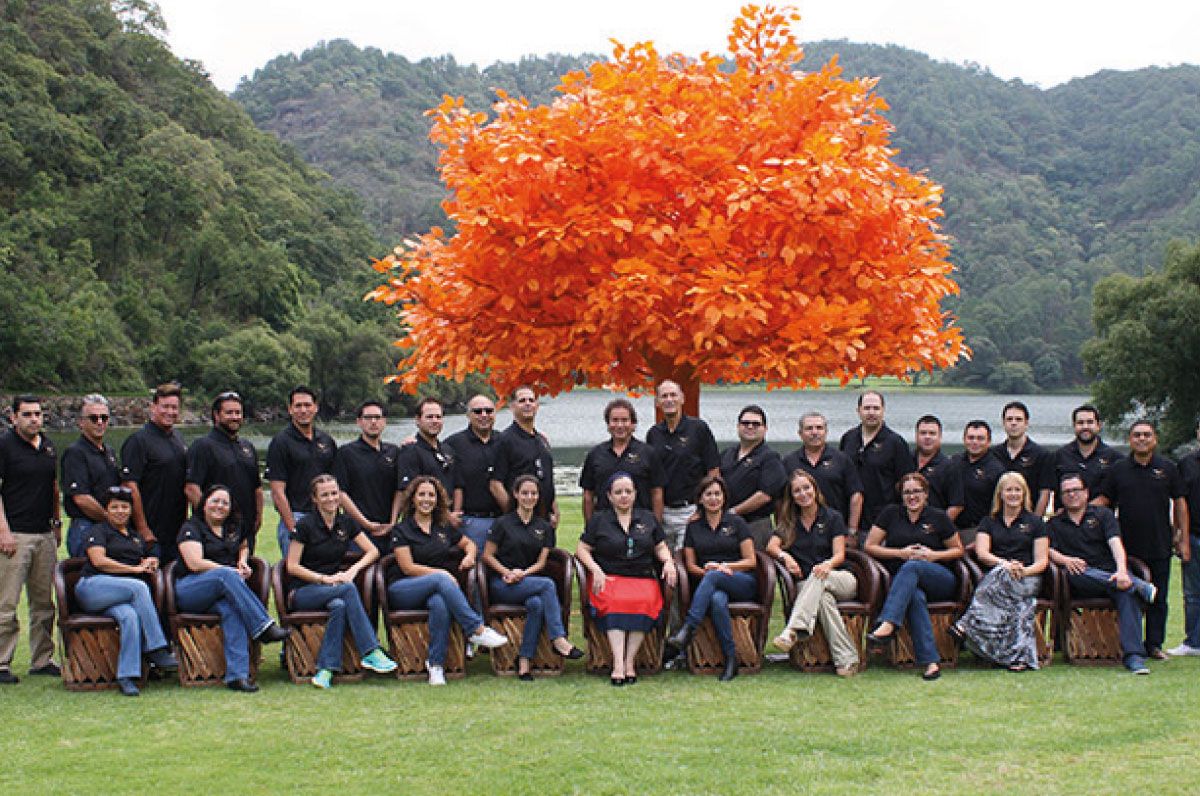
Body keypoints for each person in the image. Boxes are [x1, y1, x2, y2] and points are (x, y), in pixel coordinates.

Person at [385, 476, 508, 686]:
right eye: (421, 494)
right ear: (413, 499)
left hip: (433, 591)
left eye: (431, 495)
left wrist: (470, 556)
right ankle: (476, 629)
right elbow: (407, 567)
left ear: (438, 500)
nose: (426, 499)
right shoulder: (402, 529)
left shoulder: (443, 527)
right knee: (441, 580)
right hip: (403, 588)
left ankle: (435, 666)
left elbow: (469, 544)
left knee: (440, 604)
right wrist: (440, 575)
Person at [175, 485, 291, 693]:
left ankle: (238, 676)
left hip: (222, 593)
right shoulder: (191, 527)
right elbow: (194, 563)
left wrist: (242, 561)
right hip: (190, 590)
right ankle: (263, 627)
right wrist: (229, 571)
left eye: (225, 503)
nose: (219, 506)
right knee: (225, 575)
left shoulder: (232, 528)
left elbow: (243, 545)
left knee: (232, 610)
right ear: (204, 504)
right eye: (215, 501)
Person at [285, 475, 396, 688]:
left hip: (334, 590)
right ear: (315, 499)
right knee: (347, 590)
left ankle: (326, 670)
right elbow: (292, 566)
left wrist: (352, 571)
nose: (331, 498)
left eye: (334, 493)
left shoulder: (346, 523)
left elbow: (373, 551)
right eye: (324, 495)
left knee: (339, 605)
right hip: (304, 591)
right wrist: (324, 579)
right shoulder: (305, 525)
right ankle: (370, 650)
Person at [1096, 421, 1189, 660]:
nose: (1142, 439)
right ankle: (1128, 643)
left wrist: (1183, 539)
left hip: (1159, 544)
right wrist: (1072, 513)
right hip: (1126, 547)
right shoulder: (1118, 470)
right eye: (1137, 435)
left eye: (1147, 435)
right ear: (1130, 440)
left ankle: (1154, 645)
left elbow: (1180, 504)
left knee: (1159, 597)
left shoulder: (1168, 468)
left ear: (1154, 439)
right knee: (1129, 595)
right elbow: (1104, 502)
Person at [1048, 473, 1157, 674]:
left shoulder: (1103, 515)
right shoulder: (1055, 523)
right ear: (1061, 497)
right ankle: (1139, 585)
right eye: (1067, 492)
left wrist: (1122, 571)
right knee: (1077, 573)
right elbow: (1047, 550)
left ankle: (1134, 658)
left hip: (1111, 574)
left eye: (1076, 490)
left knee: (1126, 592)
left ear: (1086, 492)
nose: (1072, 495)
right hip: (1079, 579)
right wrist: (1065, 560)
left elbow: (1115, 543)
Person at [576, 473, 678, 685]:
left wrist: (668, 562)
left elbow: (660, 546)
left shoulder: (647, 518)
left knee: (644, 602)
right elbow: (582, 549)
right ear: (609, 496)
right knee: (615, 603)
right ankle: (618, 665)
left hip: (642, 578)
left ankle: (629, 662)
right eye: (618, 492)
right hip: (609, 577)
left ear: (635, 494)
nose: (623, 496)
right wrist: (595, 569)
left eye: (628, 491)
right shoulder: (599, 520)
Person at [75, 486, 178, 696]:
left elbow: (146, 556)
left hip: (121, 595)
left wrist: (151, 561)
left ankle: (127, 676)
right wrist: (134, 570)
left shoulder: (134, 537)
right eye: (114, 507)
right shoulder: (98, 531)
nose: (120, 511)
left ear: (131, 510)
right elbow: (99, 561)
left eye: (124, 507)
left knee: (129, 616)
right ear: (106, 510)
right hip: (92, 587)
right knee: (139, 587)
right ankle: (157, 648)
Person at [864, 472, 964, 680]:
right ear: (901, 495)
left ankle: (888, 622)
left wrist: (933, 555)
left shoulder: (938, 517)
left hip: (939, 578)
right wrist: (899, 553)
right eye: (907, 492)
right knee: (915, 596)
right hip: (905, 584)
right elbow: (870, 546)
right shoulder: (890, 514)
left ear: (926, 494)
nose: (912, 496)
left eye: (917, 491)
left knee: (913, 566)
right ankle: (931, 662)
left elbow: (958, 550)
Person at [481, 475, 583, 680]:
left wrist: (523, 573)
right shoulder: (502, 523)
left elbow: (541, 563)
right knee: (547, 585)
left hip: (529, 582)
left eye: (534, 493)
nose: (529, 497)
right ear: (516, 495)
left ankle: (524, 661)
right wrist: (507, 572)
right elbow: (487, 556)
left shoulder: (544, 527)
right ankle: (558, 639)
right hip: (503, 584)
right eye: (525, 493)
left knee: (536, 604)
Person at [766, 470, 860, 677]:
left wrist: (827, 565)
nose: (803, 494)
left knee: (819, 577)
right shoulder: (789, 522)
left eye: (806, 488)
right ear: (792, 497)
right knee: (824, 600)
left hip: (840, 579)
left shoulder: (833, 517)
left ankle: (792, 630)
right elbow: (771, 546)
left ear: (815, 489)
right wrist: (785, 557)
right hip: (811, 584)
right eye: (797, 491)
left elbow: (840, 555)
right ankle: (846, 660)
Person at [951, 473, 1048, 671]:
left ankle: (966, 625)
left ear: (1024, 493)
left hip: (1027, 578)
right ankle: (1018, 659)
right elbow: (982, 553)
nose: (1013, 494)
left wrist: (1023, 571)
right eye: (1008, 490)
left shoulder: (1036, 523)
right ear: (1000, 494)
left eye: (1017, 490)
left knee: (1003, 577)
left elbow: (1042, 561)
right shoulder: (988, 522)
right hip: (998, 579)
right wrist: (1006, 565)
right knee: (1021, 603)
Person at [665, 475, 756, 681]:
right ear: (700, 498)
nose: (713, 498)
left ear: (724, 497)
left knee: (715, 576)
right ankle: (731, 658)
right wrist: (710, 574)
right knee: (717, 600)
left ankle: (689, 628)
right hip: (709, 585)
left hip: (741, 580)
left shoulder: (736, 522)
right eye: (708, 494)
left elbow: (751, 561)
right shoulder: (693, 527)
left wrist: (724, 568)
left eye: (717, 494)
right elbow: (690, 565)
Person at [0, 395, 61, 684]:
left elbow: (53, 487)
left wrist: (56, 523)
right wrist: (3, 531)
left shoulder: (47, 446)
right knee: (7, 602)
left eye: (38, 414)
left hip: (43, 533)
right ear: (13, 417)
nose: (34, 419)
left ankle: (42, 659)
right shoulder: (4, 446)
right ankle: (1, 662)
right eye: (27, 414)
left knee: (44, 603)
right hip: (15, 534)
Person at [646, 379, 720, 552]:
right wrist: (655, 516)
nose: (669, 400)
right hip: (662, 511)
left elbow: (713, 471)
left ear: (682, 399)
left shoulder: (698, 428)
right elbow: (652, 477)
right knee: (663, 560)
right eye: (664, 396)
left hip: (690, 510)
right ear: (657, 402)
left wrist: (702, 510)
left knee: (685, 561)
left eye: (673, 395)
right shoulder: (654, 434)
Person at [185, 391, 263, 553]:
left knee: (245, 566)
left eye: (238, 413)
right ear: (216, 415)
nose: (234, 417)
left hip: (245, 529)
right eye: (229, 412)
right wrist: (212, 520)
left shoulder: (247, 447)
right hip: (217, 532)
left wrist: (258, 517)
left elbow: (257, 487)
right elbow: (191, 488)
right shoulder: (203, 446)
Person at [120, 383, 188, 564]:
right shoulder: (138, 441)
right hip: (150, 534)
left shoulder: (179, 439)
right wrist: (143, 529)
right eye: (165, 406)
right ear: (153, 407)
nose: (170, 412)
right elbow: (130, 486)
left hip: (176, 532)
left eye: (174, 407)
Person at [266, 386, 337, 557]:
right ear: (290, 409)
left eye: (307, 405)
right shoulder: (281, 442)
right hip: (296, 516)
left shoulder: (326, 441)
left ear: (315, 407)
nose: (303, 410)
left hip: (324, 518)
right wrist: (293, 528)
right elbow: (277, 492)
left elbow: (335, 485)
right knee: (296, 570)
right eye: (298, 406)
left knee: (326, 567)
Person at [839, 391, 914, 534]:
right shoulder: (848, 439)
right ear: (858, 410)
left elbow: (907, 483)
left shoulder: (896, 443)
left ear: (883, 410)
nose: (871, 412)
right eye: (867, 408)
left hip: (883, 522)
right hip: (849, 519)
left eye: (876, 408)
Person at [580, 398, 665, 524]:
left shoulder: (648, 453)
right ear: (608, 424)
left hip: (640, 525)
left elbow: (657, 493)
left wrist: (655, 526)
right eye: (615, 420)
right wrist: (590, 527)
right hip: (604, 526)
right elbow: (588, 495)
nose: (620, 425)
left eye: (625, 420)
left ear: (633, 424)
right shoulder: (595, 454)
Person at [332, 400, 400, 554]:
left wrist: (393, 522)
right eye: (368, 418)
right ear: (359, 422)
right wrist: (367, 524)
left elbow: (400, 490)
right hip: (358, 533)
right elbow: (341, 493)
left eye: (377, 417)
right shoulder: (346, 453)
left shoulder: (394, 452)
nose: (373, 422)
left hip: (389, 531)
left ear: (384, 421)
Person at [781, 412, 864, 534]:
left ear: (826, 432)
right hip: (799, 532)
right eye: (809, 428)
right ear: (800, 433)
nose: (814, 432)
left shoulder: (842, 459)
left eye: (819, 428)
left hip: (835, 530)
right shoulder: (788, 462)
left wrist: (852, 530)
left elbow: (856, 496)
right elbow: (781, 499)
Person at [718, 405, 786, 550]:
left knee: (755, 562)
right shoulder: (727, 454)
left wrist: (734, 511)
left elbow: (765, 495)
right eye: (745, 423)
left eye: (756, 424)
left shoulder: (770, 458)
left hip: (755, 525)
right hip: (725, 523)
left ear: (765, 429)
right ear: (738, 426)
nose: (750, 427)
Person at [61, 393, 121, 557]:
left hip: (107, 528)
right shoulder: (75, 453)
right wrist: (110, 519)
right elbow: (81, 498)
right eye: (93, 418)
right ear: (81, 422)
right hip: (86, 527)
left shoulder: (109, 452)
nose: (100, 422)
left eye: (104, 418)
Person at [490, 387, 558, 526]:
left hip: (544, 521)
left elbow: (547, 479)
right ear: (512, 406)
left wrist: (555, 511)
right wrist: (515, 516)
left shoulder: (542, 440)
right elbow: (495, 485)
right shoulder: (505, 440)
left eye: (531, 400)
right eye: (522, 401)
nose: (527, 404)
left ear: (537, 406)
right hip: (520, 521)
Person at [444, 394, 502, 555]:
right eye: (477, 411)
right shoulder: (453, 444)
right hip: (470, 522)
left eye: (488, 411)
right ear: (468, 415)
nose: (484, 415)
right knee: (473, 565)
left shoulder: (504, 441)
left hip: (502, 520)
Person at [1050, 405, 1123, 506]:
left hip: (1101, 515)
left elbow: (1111, 495)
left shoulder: (1115, 458)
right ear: (1074, 426)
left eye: (1090, 422)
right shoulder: (1059, 456)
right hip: (1066, 515)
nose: (1085, 427)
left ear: (1098, 425)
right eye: (1080, 423)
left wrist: (1083, 511)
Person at [991, 401, 1052, 516]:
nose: (1013, 423)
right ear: (1003, 423)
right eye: (1009, 419)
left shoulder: (1041, 455)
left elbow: (1045, 492)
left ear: (1026, 423)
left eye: (1018, 419)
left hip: (1028, 518)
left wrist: (1035, 522)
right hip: (997, 520)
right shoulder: (993, 454)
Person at [950, 420, 1005, 536]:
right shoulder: (953, 462)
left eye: (980, 438)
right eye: (971, 438)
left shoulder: (997, 470)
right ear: (964, 439)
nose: (975, 442)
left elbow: (1000, 508)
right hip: (949, 527)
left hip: (978, 530)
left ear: (989, 441)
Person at [1174, 420, 1200, 656]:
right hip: (1194, 536)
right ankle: (1193, 642)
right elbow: (1179, 502)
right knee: (1192, 594)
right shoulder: (1186, 463)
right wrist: (1180, 536)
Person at [912, 415, 963, 521]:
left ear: (940, 437)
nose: (927, 437)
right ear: (916, 436)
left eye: (932, 433)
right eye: (923, 433)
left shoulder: (950, 466)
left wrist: (939, 526)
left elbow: (956, 506)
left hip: (933, 526)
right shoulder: (904, 460)